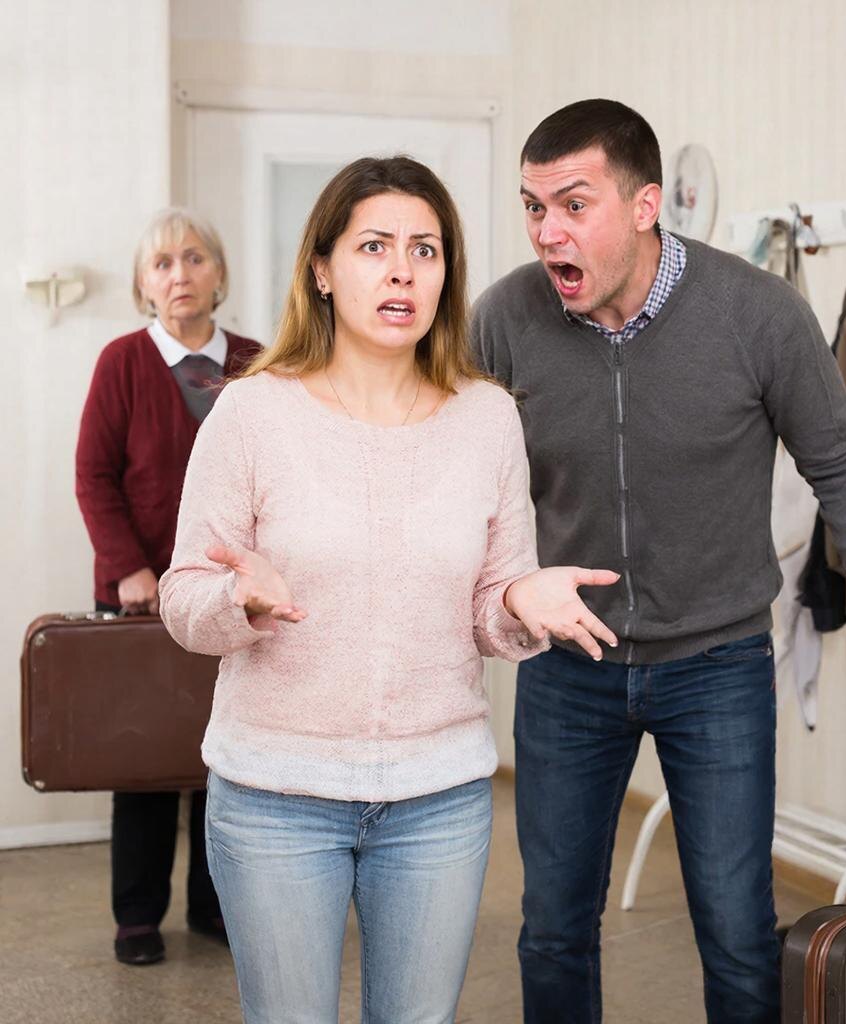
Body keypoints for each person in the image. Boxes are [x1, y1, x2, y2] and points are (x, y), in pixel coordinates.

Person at [470, 98, 846, 1024]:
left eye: (573, 205)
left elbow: (842, 462)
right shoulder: (506, 318)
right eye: (532, 207)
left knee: (736, 930)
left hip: (717, 666)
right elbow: (455, 475)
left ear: (646, 206)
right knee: (553, 926)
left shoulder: (756, 313)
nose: (547, 232)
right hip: (568, 666)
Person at [158, 155, 618, 1024]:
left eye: (425, 249)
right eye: (374, 246)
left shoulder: (487, 417)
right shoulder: (252, 414)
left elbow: (491, 600)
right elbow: (183, 599)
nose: (403, 270)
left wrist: (517, 603)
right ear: (323, 271)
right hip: (276, 798)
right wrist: (238, 603)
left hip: (439, 800)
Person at [75, 207, 261, 965]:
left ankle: (214, 907)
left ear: (219, 273)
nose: (178, 274)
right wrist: (128, 567)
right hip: (140, 596)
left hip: (230, 599)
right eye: (161, 263)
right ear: (142, 284)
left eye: (193, 258)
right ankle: (138, 917)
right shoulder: (121, 362)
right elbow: (94, 476)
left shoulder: (255, 361)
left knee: (227, 760)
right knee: (145, 759)